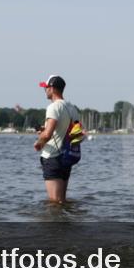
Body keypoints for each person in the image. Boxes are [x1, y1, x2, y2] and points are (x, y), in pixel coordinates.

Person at [33, 75, 81, 203]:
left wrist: (38, 143)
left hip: (52, 157)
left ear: (52, 88)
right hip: (66, 158)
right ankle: (65, 221)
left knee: (54, 202)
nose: (45, 90)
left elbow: (47, 135)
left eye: (46, 87)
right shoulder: (72, 108)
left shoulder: (53, 107)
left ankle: (55, 222)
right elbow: (78, 134)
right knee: (62, 200)